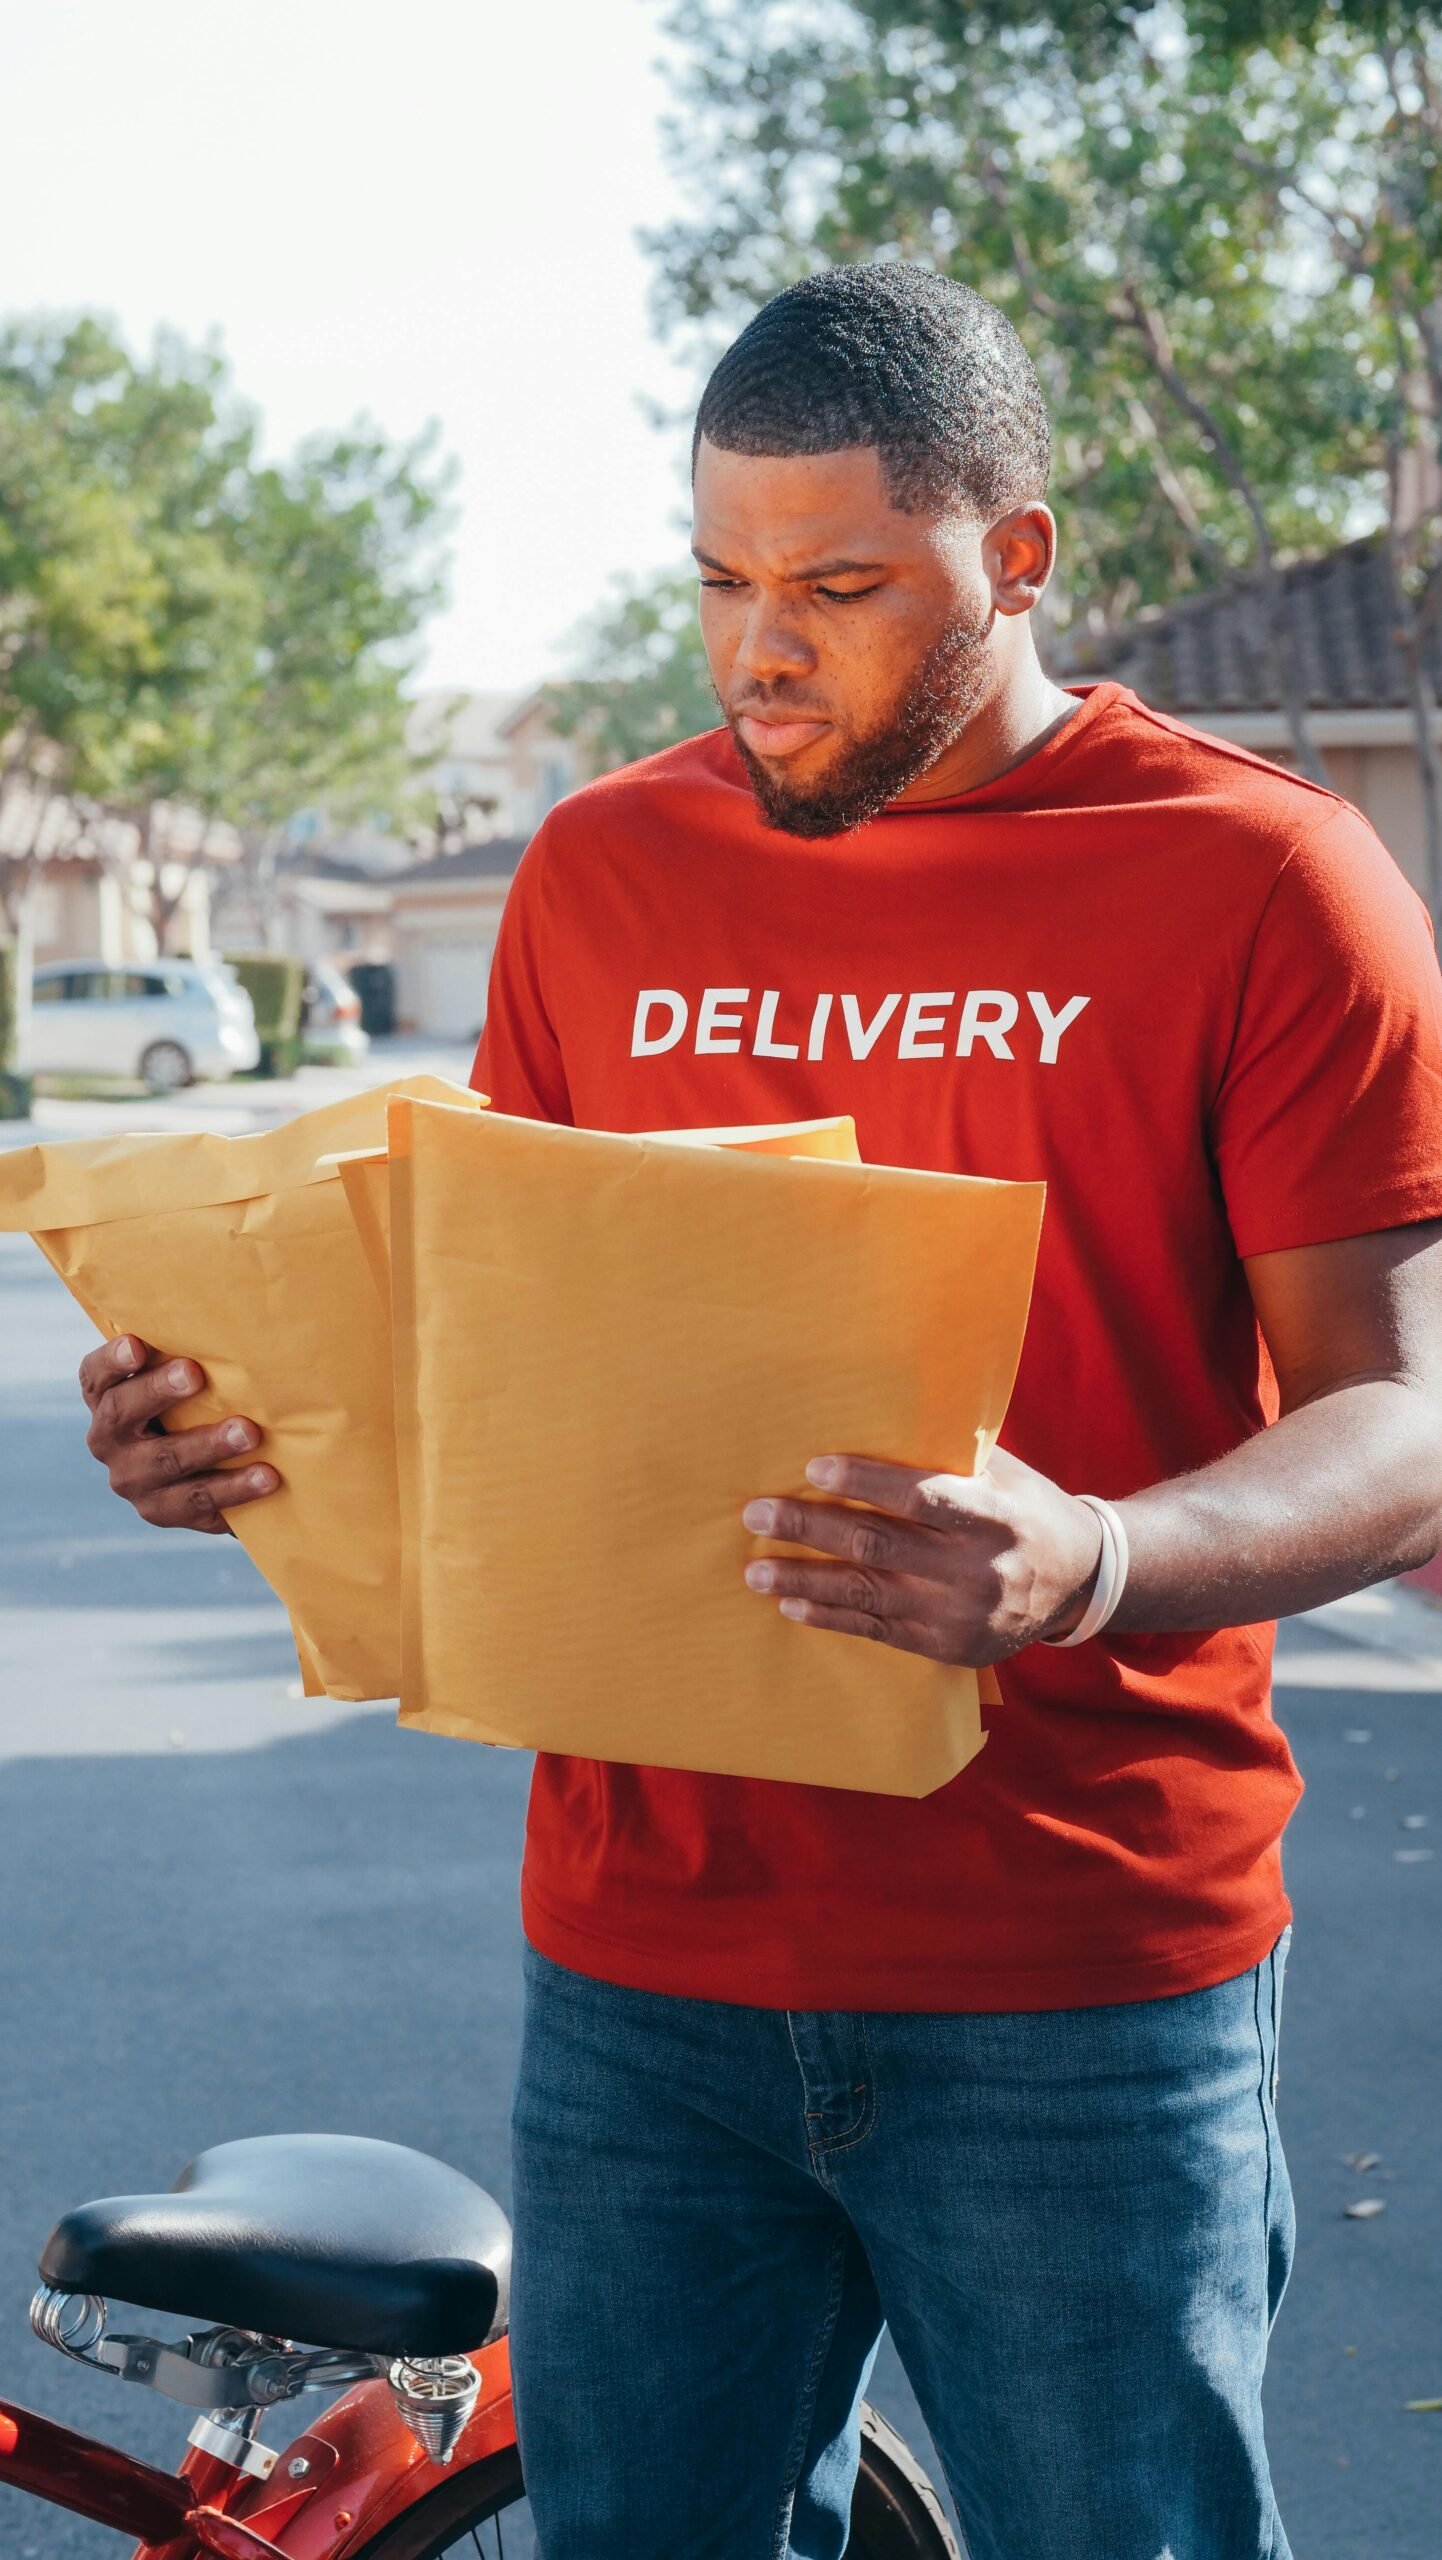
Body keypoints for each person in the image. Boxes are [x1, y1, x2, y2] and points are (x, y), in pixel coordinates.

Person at [80, 265, 1442, 2559]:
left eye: (834, 587)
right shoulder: (605, 868)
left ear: (1012, 559)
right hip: (644, 1970)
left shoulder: (1263, 876)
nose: (757, 649)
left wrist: (1084, 1555)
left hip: (1081, 1975)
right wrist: (237, 1431)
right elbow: (518, 1356)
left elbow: (1401, 1417)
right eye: (717, 579)